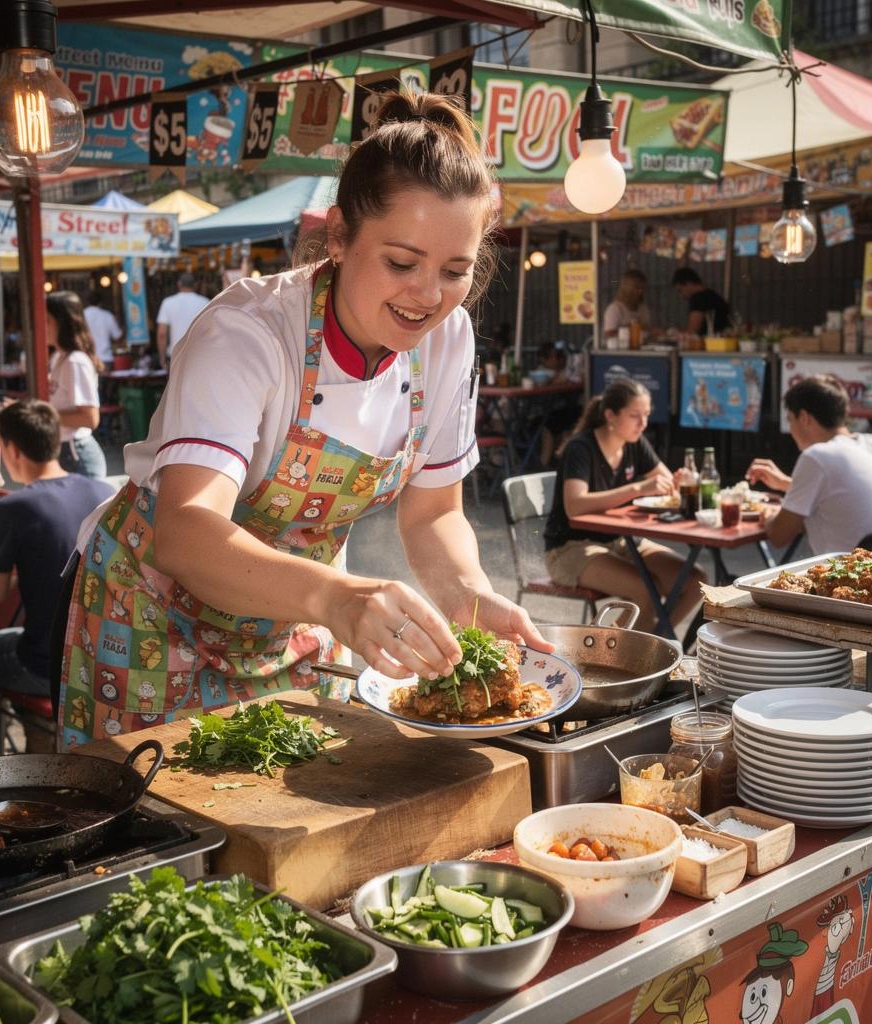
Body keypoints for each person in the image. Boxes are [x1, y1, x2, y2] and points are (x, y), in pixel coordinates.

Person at [57, 91, 551, 746]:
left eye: (455, 271)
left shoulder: (448, 338)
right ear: (341, 235)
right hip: (152, 617)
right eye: (401, 263)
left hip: (288, 624)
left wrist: (469, 597)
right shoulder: (247, 333)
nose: (429, 297)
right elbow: (184, 529)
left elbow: (433, 512)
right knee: (159, 832)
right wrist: (336, 598)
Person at [0, 401, 115, 755]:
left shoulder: (11, 508)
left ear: (11, 450)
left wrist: (21, 570)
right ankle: (38, 749)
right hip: (99, 657)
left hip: (45, 663)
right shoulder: (103, 492)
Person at [544, 378, 707, 633]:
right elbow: (574, 506)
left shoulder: (635, 442)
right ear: (610, 415)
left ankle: (656, 642)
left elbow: (664, 482)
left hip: (621, 540)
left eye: (646, 415)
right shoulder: (581, 448)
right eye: (635, 416)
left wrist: (679, 482)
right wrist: (638, 488)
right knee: (646, 590)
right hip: (570, 548)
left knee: (696, 579)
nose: (643, 424)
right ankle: (602, 655)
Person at [747, 375, 872, 554]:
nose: (791, 429)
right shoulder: (870, 444)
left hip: (846, 576)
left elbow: (779, 535)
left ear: (805, 418)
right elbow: (838, 495)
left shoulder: (817, 457)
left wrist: (767, 516)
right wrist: (785, 483)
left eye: (790, 419)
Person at [47, 290, 107, 478]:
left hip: (77, 454)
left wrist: (43, 415)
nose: (40, 326)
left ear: (62, 323)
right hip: (65, 451)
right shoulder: (58, 357)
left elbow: (90, 418)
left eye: (47, 320)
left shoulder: (75, 361)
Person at [155, 272, 209, 367]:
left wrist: (162, 358)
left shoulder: (168, 303)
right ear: (195, 285)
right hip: (199, 356)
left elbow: (161, 334)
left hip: (175, 356)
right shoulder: (205, 302)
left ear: (179, 284)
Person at [671, 267, 730, 336]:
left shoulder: (698, 299)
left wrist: (671, 333)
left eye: (680, 290)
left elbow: (692, 332)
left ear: (689, 283)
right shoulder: (713, 296)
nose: (681, 296)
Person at [602, 269, 651, 341]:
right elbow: (609, 334)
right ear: (626, 288)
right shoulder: (615, 309)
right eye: (636, 288)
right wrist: (631, 329)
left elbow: (647, 329)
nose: (640, 292)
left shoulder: (643, 308)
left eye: (642, 288)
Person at [82, 291, 123, 371]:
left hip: (87, 358)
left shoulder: (82, 316)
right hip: (105, 358)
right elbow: (117, 336)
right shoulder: (107, 316)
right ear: (101, 302)